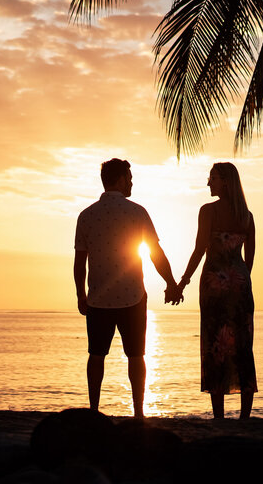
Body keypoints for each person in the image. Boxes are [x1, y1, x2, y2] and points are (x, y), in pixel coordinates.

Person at [75, 158, 182, 418]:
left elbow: (80, 261)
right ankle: (138, 412)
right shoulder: (137, 212)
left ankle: (93, 409)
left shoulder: (86, 215)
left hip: (98, 298)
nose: (132, 181)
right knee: (136, 356)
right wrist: (171, 284)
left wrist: (81, 294)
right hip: (132, 297)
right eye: (130, 177)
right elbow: (155, 253)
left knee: (96, 354)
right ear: (121, 178)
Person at [174, 162, 257, 419]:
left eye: (212, 178)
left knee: (215, 345)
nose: (208, 182)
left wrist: (183, 282)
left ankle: (219, 416)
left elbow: (200, 250)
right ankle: (245, 416)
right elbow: (249, 257)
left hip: (213, 284)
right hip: (240, 284)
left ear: (224, 182)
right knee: (243, 346)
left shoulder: (208, 211)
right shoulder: (247, 216)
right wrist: (239, 280)